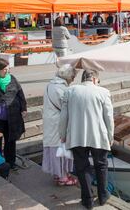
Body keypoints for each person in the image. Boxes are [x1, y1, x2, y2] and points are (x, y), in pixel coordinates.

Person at [59, 70, 114, 209]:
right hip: (98, 135)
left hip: (77, 135)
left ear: (82, 79)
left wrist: (62, 133)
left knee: (82, 167)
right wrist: (110, 135)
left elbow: (64, 115)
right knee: (101, 165)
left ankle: (87, 199)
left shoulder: (70, 91)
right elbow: (108, 117)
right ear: (94, 79)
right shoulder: (103, 92)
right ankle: (102, 195)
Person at [42, 64, 78, 186]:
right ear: (68, 77)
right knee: (61, 148)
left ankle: (58, 174)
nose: (73, 79)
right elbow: (66, 106)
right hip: (58, 122)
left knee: (55, 148)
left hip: (50, 120)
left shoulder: (50, 85)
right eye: (73, 77)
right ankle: (63, 176)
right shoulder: (61, 89)